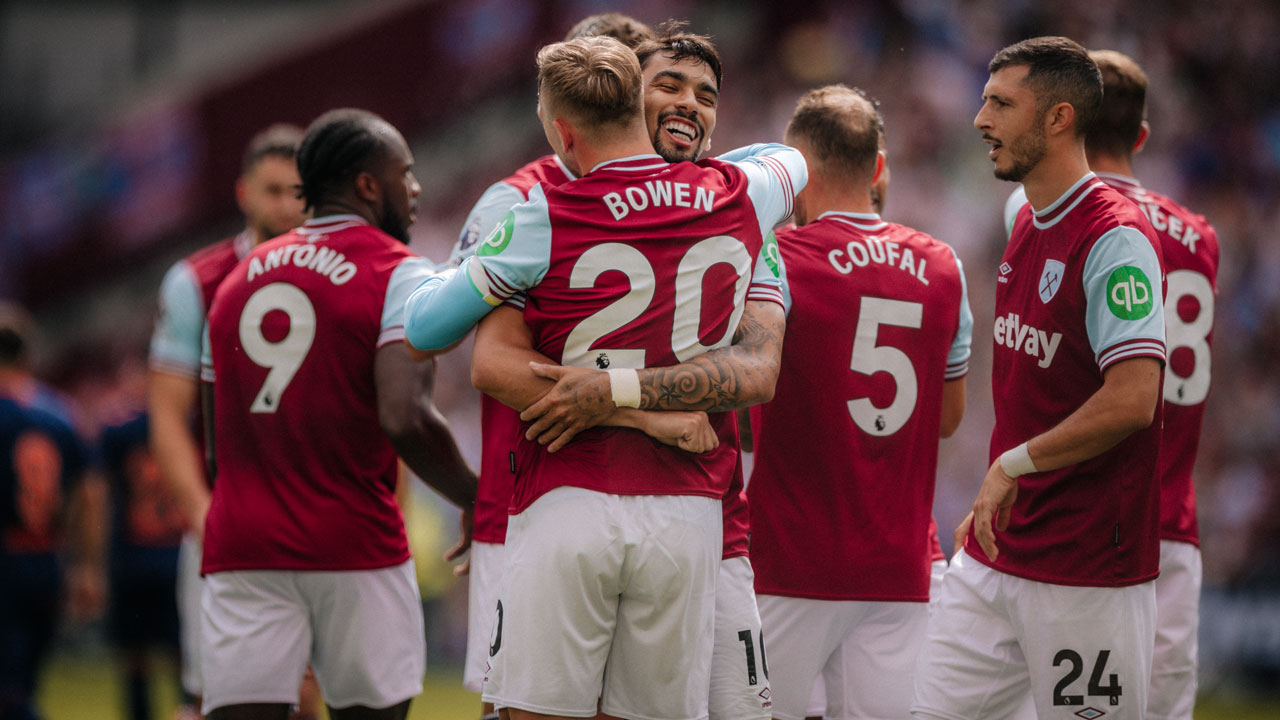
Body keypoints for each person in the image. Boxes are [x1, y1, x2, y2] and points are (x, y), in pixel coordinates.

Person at [404, 36, 805, 720]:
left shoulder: (541, 211)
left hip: (568, 495)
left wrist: (423, 271)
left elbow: (425, 332)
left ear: (561, 130)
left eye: (704, 95)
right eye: (670, 88)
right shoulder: (740, 197)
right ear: (635, 100)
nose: (688, 106)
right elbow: (791, 160)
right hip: (687, 512)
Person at [912, 37, 1166, 720]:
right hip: (1001, 550)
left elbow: (1135, 398)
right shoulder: (1025, 217)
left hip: (1087, 570)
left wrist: (1012, 465)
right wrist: (1004, 484)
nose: (979, 119)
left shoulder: (1116, 238)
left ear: (1057, 119)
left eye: (1000, 102)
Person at [199, 108, 477, 720]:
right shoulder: (399, 272)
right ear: (368, 186)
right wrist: (476, 497)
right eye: (405, 174)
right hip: (354, 545)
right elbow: (405, 417)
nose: (416, 189)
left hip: (243, 544)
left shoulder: (234, 283)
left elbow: (217, 448)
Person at [448, 15, 654, 720]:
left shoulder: (686, 197)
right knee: (519, 707)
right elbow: (452, 341)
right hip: (529, 500)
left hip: (661, 502)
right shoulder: (517, 201)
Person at [1003, 49, 1218, 720]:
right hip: (1172, 517)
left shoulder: (1043, 212)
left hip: (1085, 523)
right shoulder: (1201, 236)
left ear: (1066, 121)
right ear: (1143, 137)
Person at [745, 85, 972, 720]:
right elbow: (947, 418)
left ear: (795, 171)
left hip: (791, 561)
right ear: (877, 168)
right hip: (902, 567)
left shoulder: (778, 258)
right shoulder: (944, 265)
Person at [146, 123, 310, 718]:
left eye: (299, 191)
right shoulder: (197, 281)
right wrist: (201, 515)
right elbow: (166, 415)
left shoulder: (341, 274)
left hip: (320, 521)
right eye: (273, 190)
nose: (288, 206)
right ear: (244, 193)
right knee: (213, 699)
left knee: (316, 693)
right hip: (229, 519)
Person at [0, 304, 95, 720]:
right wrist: (86, 564)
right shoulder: (61, 413)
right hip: (47, 558)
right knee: (26, 678)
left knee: (11, 694)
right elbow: (89, 494)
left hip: (6, 560)